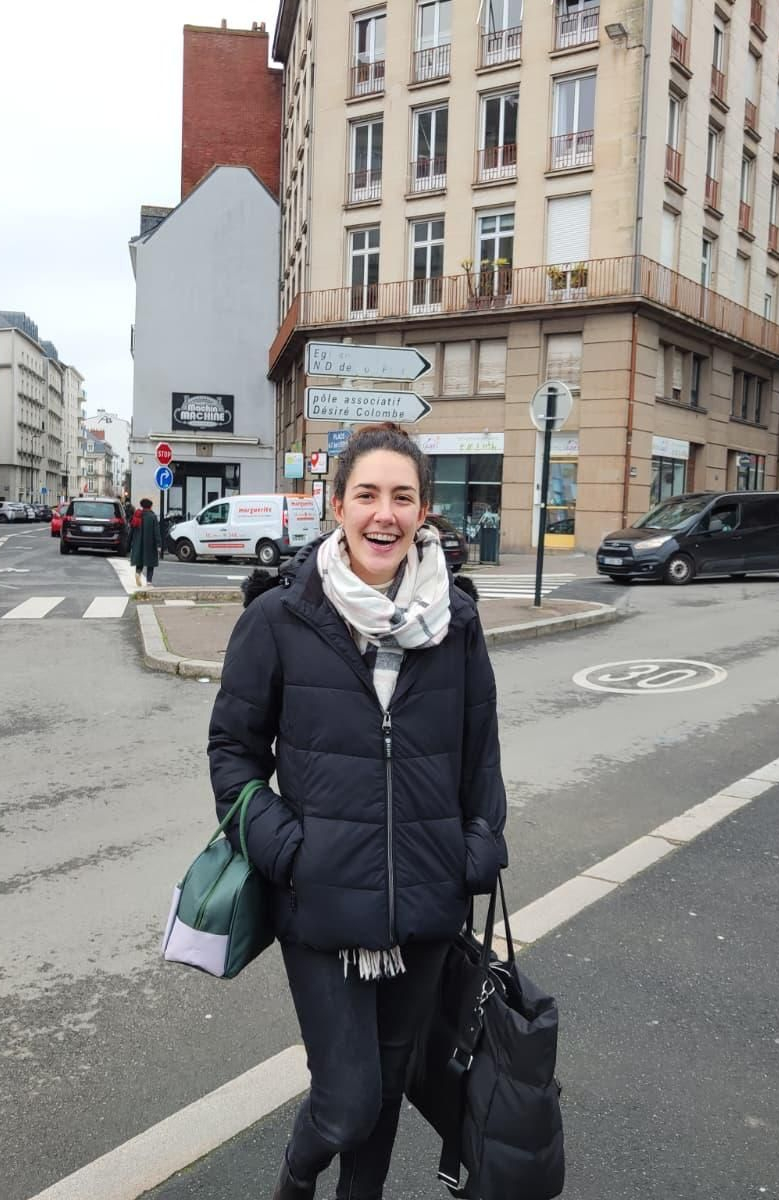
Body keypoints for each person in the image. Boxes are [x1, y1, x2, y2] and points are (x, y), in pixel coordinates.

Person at [207, 422, 508, 1200]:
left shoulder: (458, 622)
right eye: (367, 494)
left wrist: (475, 854)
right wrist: (289, 853)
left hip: (425, 904)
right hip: (322, 904)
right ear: (336, 505)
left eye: (402, 497)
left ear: (424, 512)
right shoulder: (280, 618)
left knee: (387, 1093)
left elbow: (480, 757)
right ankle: (297, 1176)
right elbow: (232, 754)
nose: (385, 513)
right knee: (345, 1103)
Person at [130, 497, 161, 586]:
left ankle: (138, 573)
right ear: (150, 507)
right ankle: (149, 581)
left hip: (138, 543)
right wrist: (159, 544)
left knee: (139, 560)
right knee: (150, 563)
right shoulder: (153, 517)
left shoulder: (137, 516)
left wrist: (129, 543)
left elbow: (132, 530)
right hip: (150, 544)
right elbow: (156, 532)